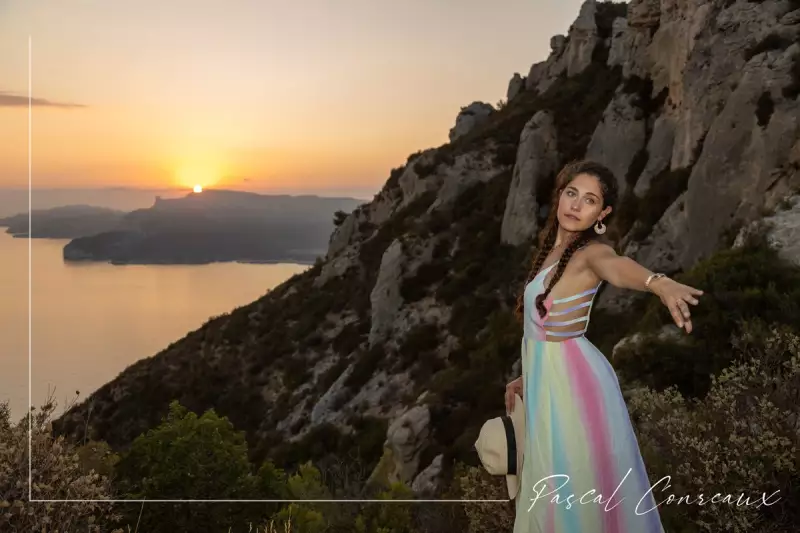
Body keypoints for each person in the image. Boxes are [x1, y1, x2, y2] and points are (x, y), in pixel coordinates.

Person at [506, 160, 703, 533]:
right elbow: (543, 332)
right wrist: (525, 376)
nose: (576, 205)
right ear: (560, 195)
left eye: (590, 200)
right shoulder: (552, 250)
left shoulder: (590, 254)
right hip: (548, 382)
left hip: (574, 390)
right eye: (571, 193)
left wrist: (657, 283)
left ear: (603, 213)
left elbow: (617, 266)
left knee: (573, 489)